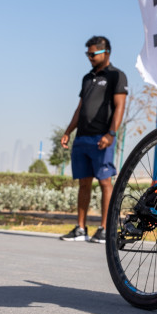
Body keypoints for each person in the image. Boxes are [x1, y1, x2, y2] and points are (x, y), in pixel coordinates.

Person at [59, 36, 127, 244]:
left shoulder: (117, 76)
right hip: (82, 138)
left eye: (92, 54)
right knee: (84, 184)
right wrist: (68, 131)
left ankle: (105, 229)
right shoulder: (87, 78)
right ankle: (81, 228)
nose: (89, 57)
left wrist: (111, 134)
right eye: (87, 54)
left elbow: (119, 106)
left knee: (105, 182)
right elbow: (80, 108)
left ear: (105, 52)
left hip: (102, 138)